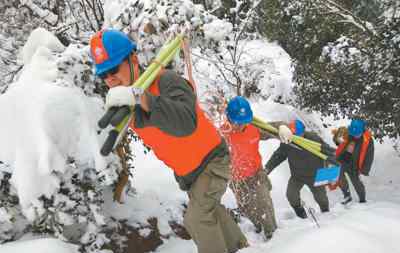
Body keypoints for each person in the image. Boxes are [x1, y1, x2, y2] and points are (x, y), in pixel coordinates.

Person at [89, 29, 247, 253]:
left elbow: (186, 123)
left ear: (133, 59)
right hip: (191, 173)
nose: (110, 79)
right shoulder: (126, 103)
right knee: (210, 211)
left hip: (212, 160)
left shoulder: (166, 81)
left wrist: (141, 97)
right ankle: (240, 247)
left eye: (113, 69)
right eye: (103, 75)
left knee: (197, 219)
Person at [222, 96, 277, 240]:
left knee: (264, 202)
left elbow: (275, 128)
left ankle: (273, 235)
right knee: (246, 207)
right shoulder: (222, 134)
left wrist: (286, 128)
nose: (240, 126)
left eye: (243, 122)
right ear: (228, 117)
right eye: (236, 122)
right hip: (236, 179)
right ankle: (257, 224)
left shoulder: (254, 128)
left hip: (257, 173)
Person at [264, 120, 330, 218]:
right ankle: (301, 216)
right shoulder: (288, 141)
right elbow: (278, 156)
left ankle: (327, 215)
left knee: (322, 199)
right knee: (291, 195)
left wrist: (327, 172)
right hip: (297, 176)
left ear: (304, 131)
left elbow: (327, 153)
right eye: (295, 136)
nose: (298, 138)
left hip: (315, 175)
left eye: (300, 135)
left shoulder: (314, 138)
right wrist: (267, 168)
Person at [333, 119, 374, 204]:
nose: (355, 136)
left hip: (355, 165)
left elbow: (369, 157)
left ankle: (362, 200)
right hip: (343, 160)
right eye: (353, 134)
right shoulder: (348, 133)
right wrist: (337, 137)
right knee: (339, 176)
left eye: (357, 134)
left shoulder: (368, 140)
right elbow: (338, 142)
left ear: (362, 131)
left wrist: (364, 171)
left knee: (357, 183)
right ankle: (347, 195)